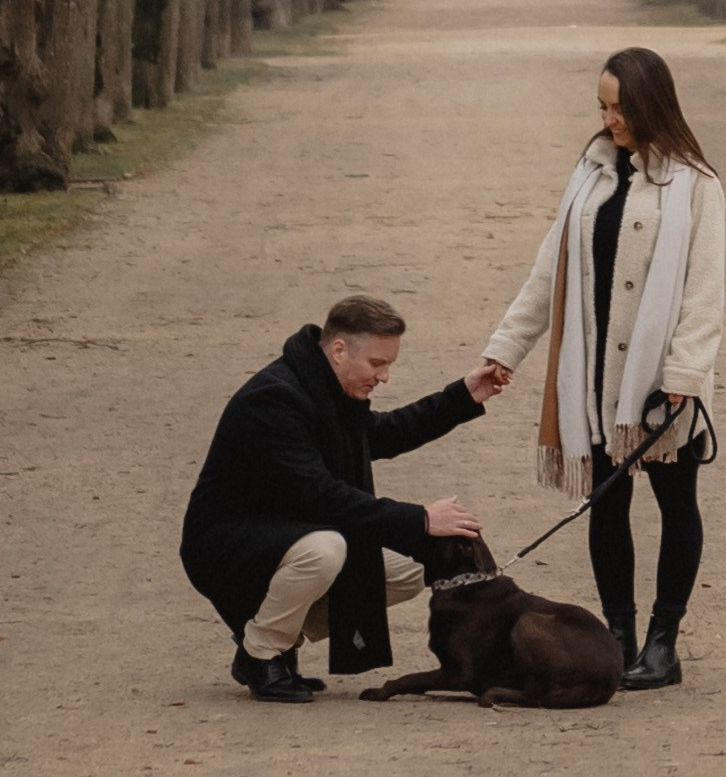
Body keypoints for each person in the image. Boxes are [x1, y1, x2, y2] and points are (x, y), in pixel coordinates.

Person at [479, 46, 725, 691]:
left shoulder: (696, 184)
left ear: (651, 104)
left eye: (620, 108)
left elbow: (705, 292)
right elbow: (549, 271)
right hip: (592, 374)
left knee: (676, 502)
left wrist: (683, 376)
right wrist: (506, 347)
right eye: (603, 107)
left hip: (660, 380)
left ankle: (663, 645)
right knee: (605, 503)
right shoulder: (590, 174)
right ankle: (618, 639)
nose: (610, 120)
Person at [181, 294, 506, 703]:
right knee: (326, 550)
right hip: (228, 547)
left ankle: (278, 634)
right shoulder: (275, 399)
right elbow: (324, 498)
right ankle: (260, 652)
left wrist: (464, 396)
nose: (384, 377)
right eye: (377, 363)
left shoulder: (325, 386)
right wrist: (421, 519)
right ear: (338, 350)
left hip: (288, 534)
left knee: (412, 569)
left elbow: (384, 433)